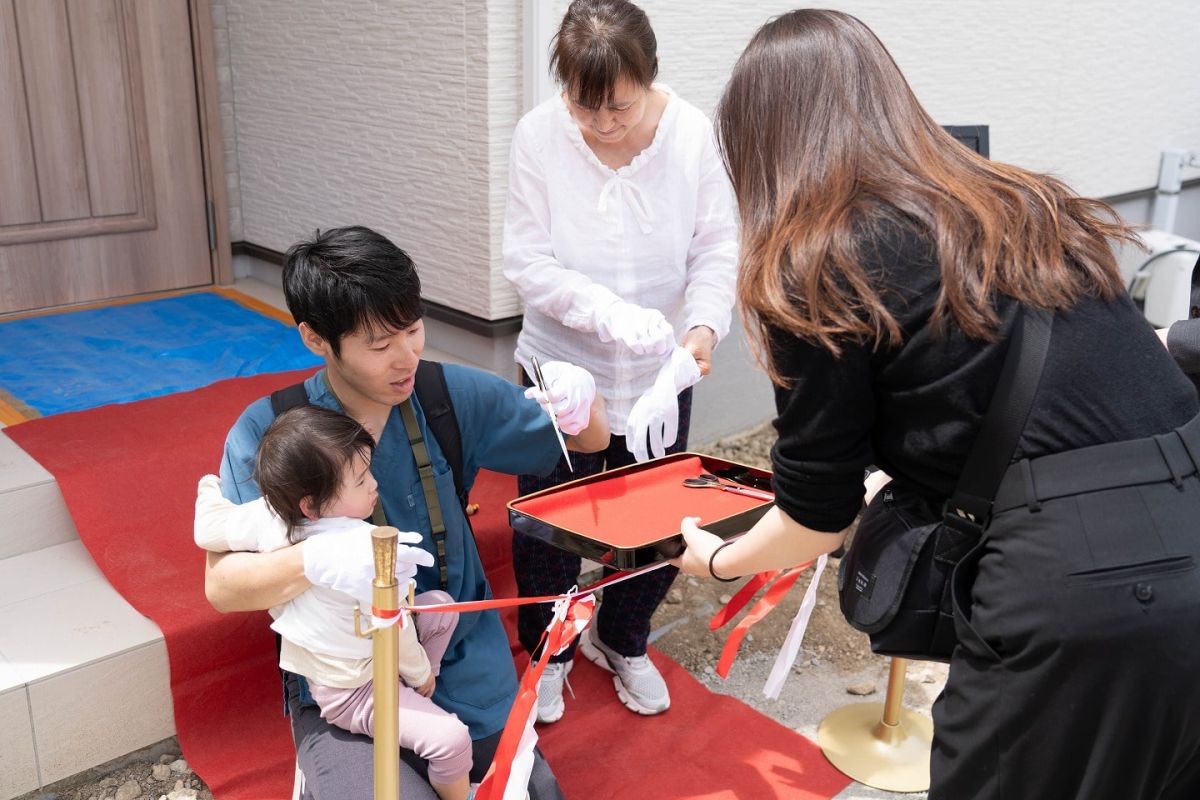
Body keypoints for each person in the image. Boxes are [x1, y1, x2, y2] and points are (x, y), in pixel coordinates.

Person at [672, 10, 1200, 800]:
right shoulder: (1022, 200)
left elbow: (816, 516)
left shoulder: (815, 263)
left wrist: (713, 558)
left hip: (1076, 587)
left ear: (760, 147)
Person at [203, 226, 609, 800]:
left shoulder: (444, 396)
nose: (407, 356)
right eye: (379, 344)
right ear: (316, 338)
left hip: (462, 655)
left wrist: (582, 400)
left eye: (413, 328)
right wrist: (316, 559)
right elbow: (223, 587)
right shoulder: (271, 432)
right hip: (346, 681)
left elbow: (592, 440)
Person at [502, 0, 737, 725]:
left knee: (656, 515)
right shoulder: (539, 136)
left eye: (621, 108)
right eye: (585, 105)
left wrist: (701, 328)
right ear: (563, 86)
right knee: (550, 520)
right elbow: (526, 260)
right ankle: (551, 653)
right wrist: (603, 312)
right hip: (560, 363)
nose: (603, 124)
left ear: (649, 78)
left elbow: (716, 246)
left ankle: (621, 637)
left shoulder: (693, 134)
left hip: (659, 372)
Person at [195, 405, 471, 800]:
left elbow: (209, 527)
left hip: (354, 660)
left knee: (440, 608)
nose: (374, 484)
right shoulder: (359, 557)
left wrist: (208, 487)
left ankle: (413, 699)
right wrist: (421, 673)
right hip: (355, 690)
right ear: (312, 504)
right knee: (453, 741)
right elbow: (397, 629)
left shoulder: (270, 517)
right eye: (361, 480)